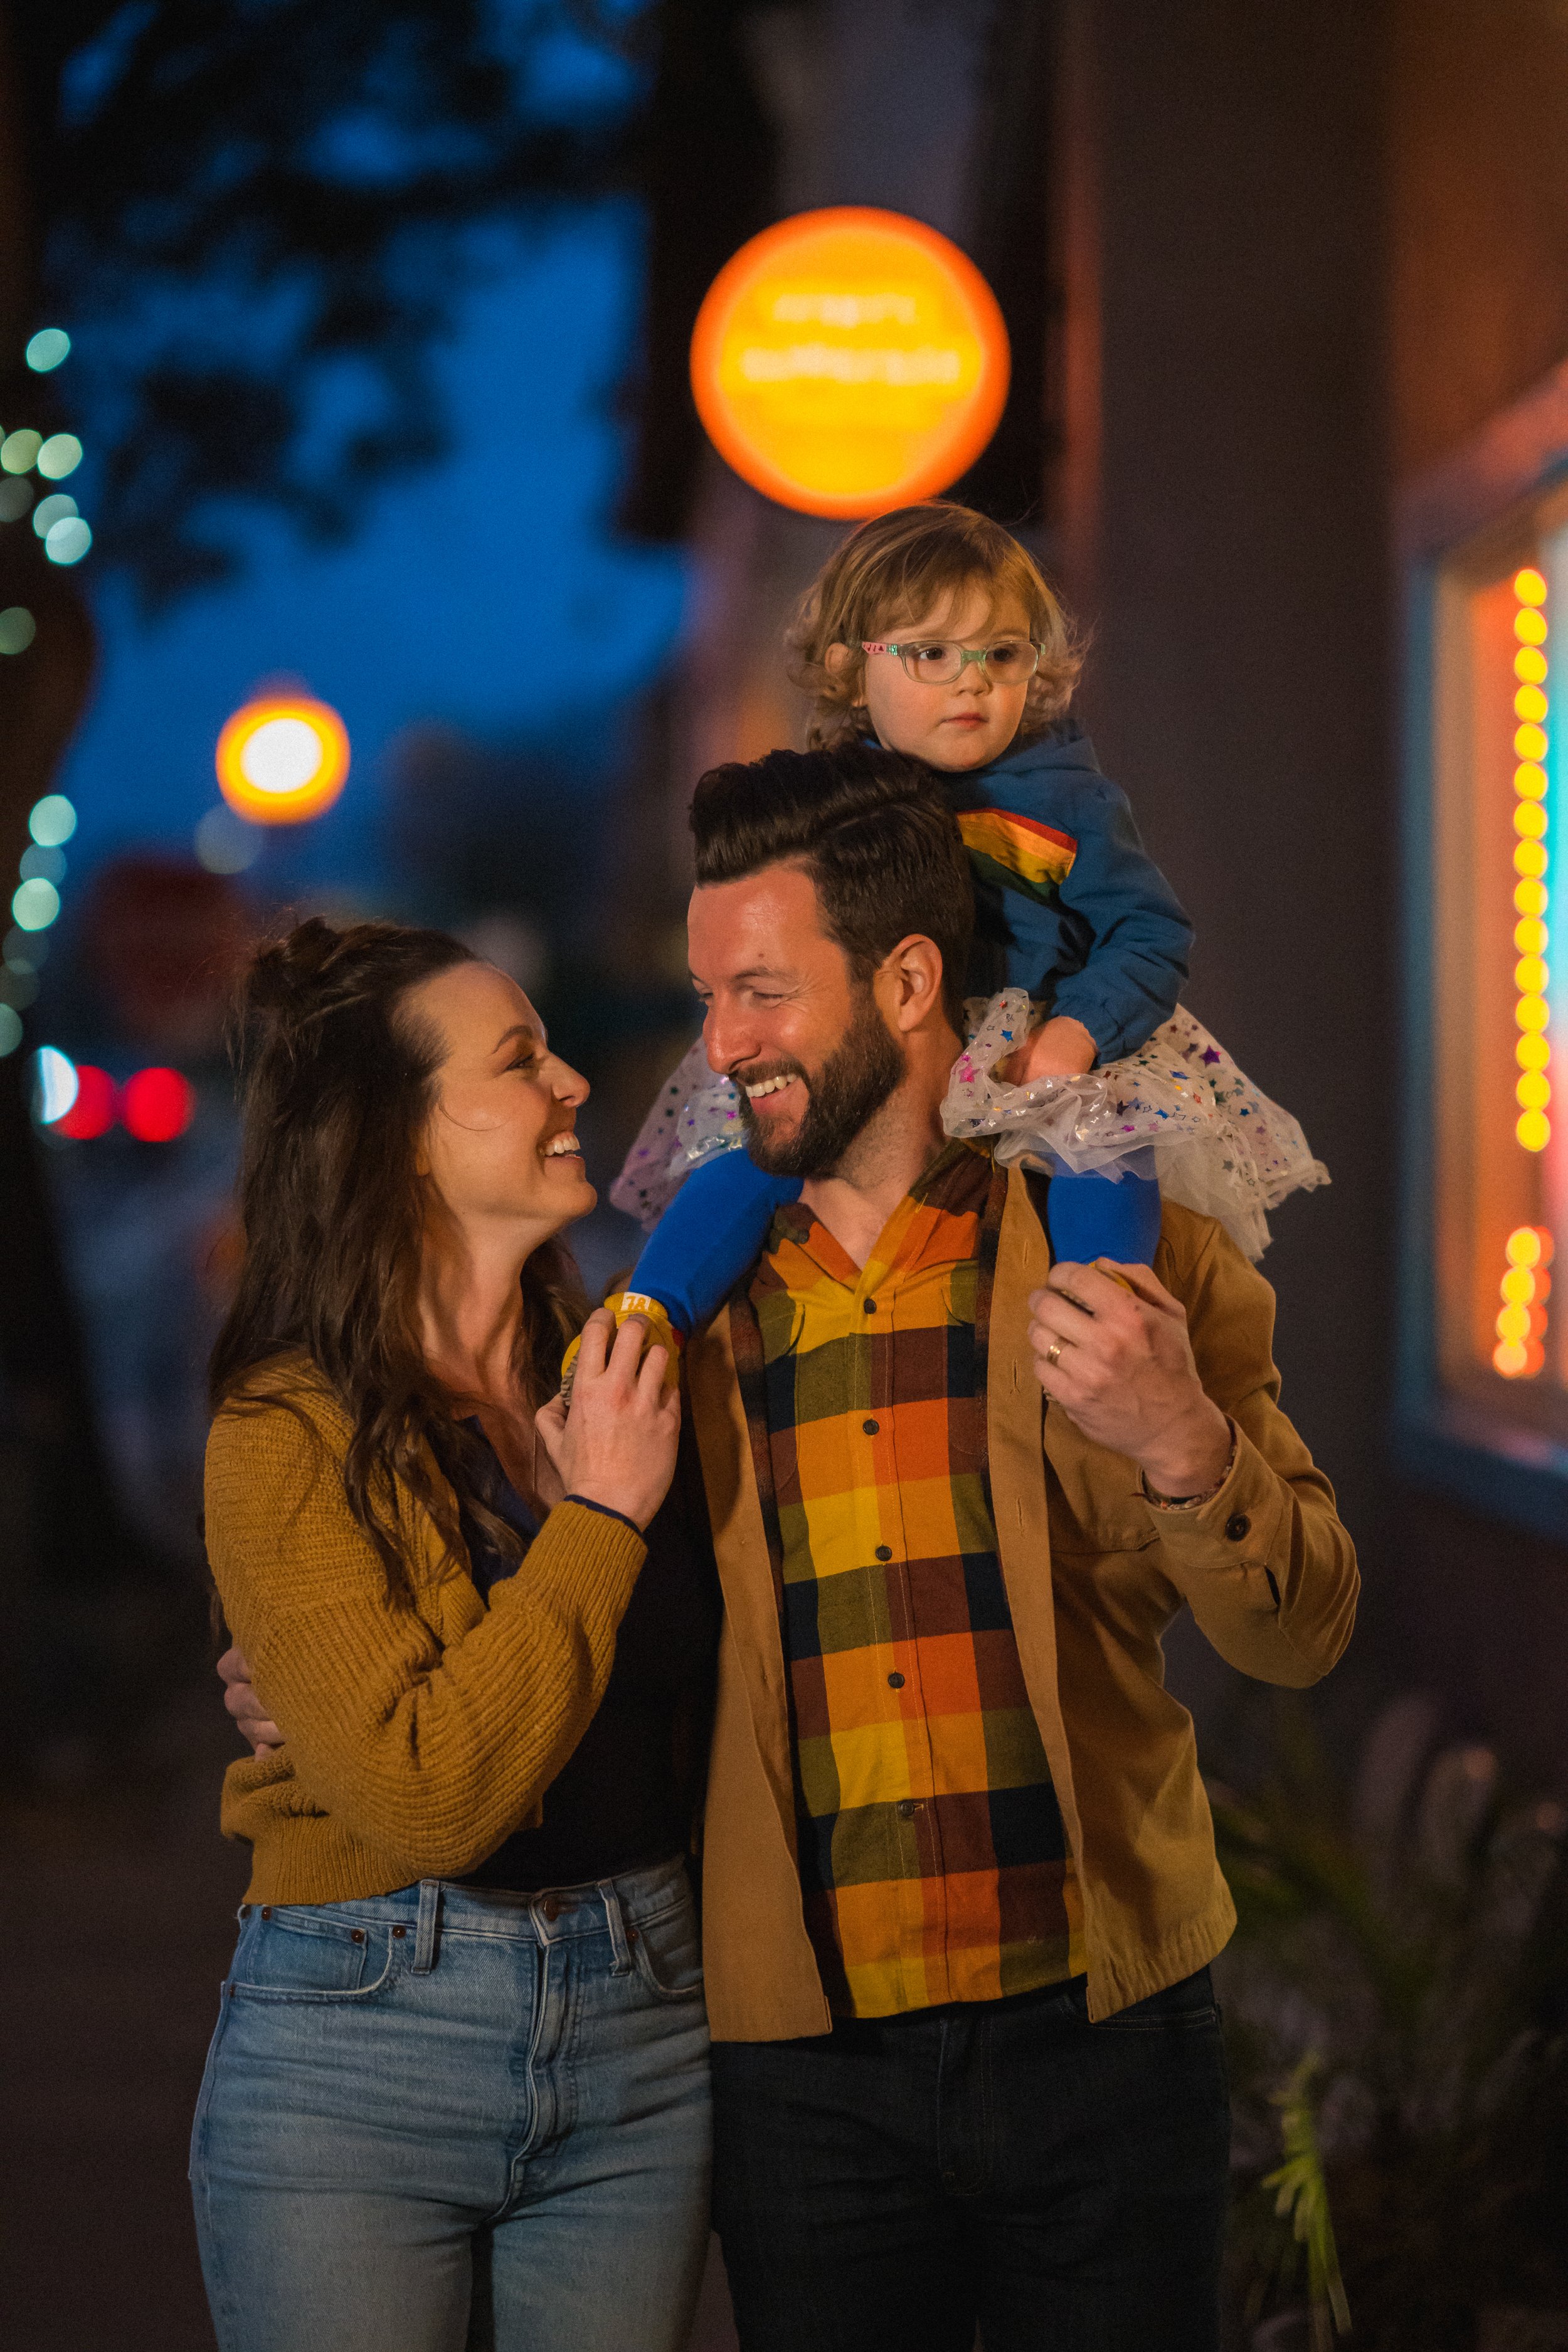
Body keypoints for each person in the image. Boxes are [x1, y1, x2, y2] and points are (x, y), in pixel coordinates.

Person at [672, 745, 1359, 2351]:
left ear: (907, 979)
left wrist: (1182, 1436)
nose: (723, 1048)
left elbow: (1301, 1631)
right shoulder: (688, 1317)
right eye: (710, 1000)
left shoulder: (1128, 1250)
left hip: (1103, 2041)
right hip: (805, 2071)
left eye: (761, 995)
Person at [193, 917, 719, 2352]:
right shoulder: (284, 1429)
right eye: (517, 1060)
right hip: (365, 2038)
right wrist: (598, 1521)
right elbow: (429, 1792)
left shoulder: (627, 1365)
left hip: (642, 2025)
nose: (568, 1085)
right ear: (397, 1140)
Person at [600, 501, 1325, 1380]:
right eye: (932, 654)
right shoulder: (838, 805)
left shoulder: (1066, 799)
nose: (973, 681)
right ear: (847, 668)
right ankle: (643, 1321)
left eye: (1002, 654)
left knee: (1102, 1153)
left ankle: (1104, 1326)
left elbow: (1149, 929)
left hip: (1042, 1032)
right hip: (886, 1045)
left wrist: (1077, 1033)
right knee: (749, 1154)